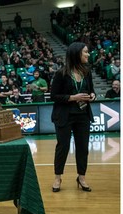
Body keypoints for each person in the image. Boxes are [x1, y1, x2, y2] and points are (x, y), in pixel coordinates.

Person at [50, 42, 96, 193]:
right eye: (85, 52)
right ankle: (57, 178)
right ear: (76, 54)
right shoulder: (61, 73)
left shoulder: (87, 72)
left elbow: (91, 90)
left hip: (83, 115)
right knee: (63, 147)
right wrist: (72, 97)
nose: (88, 54)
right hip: (64, 116)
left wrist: (92, 95)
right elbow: (54, 96)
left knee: (83, 148)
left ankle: (81, 177)